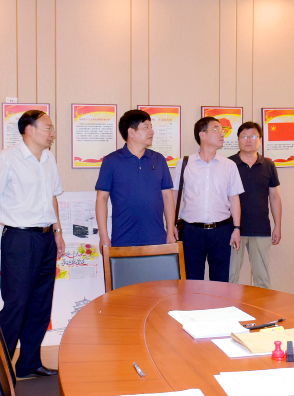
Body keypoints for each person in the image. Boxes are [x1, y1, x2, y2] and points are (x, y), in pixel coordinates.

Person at [0, 110, 65, 378]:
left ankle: (29, 364)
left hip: (46, 238)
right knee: (16, 304)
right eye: (47, 128)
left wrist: (58, 231)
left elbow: (52, 197)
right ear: (29, 129)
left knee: (41, 305)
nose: (52, 133)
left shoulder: (49, 158)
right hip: (19, 239)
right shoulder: (7, 158)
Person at [173, 116, 244, 281]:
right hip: (191, 231)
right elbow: (174, 196)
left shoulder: (229, 165)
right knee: (191, 282)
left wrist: (237, 228)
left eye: (222, 130)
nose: (222, 133)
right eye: (216, 129)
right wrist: (171, 226)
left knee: (220, 283)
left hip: (221, 231)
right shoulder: (185, 163)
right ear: (202, 135)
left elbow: (234, 199)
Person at [96, 109, 176, 248]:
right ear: (131, 132)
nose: (151, 131)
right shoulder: (111, 161)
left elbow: (167, 197)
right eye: (146, 127)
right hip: (123, 239)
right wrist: (103, 236)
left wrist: (170, 230)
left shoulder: (159, 159)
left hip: (157, 238)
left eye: (151, 127)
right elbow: (101, 199)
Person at [229, 121, 282, 288]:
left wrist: (278, 226)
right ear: (238, 140)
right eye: (244, 136)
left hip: (261, 228)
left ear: (260, 140)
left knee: (262, 279)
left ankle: (263, 307)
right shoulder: (228, 164)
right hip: (232, 229)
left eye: (252, 136)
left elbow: (274, 197)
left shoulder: (268, 165)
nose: (248, 140)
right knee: (230, 277)